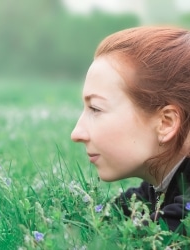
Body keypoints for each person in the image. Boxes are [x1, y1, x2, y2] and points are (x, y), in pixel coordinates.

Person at [70, 26, 190, 233]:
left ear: (166, 123)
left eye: (96, 109)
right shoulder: (160, 185)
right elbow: (108, 217)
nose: (76, 134)